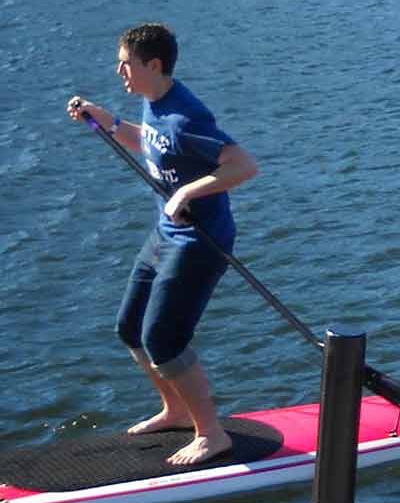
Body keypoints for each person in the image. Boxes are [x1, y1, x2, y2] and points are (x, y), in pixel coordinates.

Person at [66, 23, 260, 467]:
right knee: (130, 327)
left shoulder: (186, 116)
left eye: (126, 63)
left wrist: (187, 192)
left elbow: (244, 166)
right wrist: (107, 121)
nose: (120, 71)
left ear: (153, 65)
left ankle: (211, 434)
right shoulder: (153, 105)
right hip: (165, 235)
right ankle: (175, 410)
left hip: (199, 242)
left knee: (164, 339)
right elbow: (154, 145)